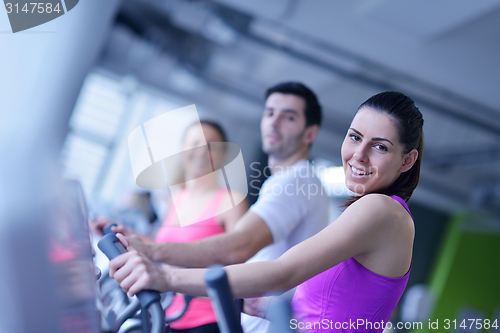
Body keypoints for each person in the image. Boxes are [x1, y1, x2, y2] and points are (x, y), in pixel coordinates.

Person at [108, 91, 424, 333]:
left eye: (380, 146)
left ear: (407, 160)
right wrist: (263, 305)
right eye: (355, 137)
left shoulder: (381, 210)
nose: (359, 154)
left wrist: (165, 276)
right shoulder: (374, 212)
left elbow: (279, 270)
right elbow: (336, 310)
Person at [114, 82, 330, 332]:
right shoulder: (285, 182)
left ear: (309, 134)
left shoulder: (295, 181)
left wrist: (153, 253)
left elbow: (238, 247)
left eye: (288, 117)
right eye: (270, 113)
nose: (274, 122)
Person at [93, 120, 249, 333]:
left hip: (209, 319)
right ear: (183, 149)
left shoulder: (231, 201)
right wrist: (125, 234)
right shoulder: (177, 199)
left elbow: (240, 261)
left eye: (211, 146)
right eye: (195, 144)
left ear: (222, 156)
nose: (201, 152)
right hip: (170, 313)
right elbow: (164, 247)